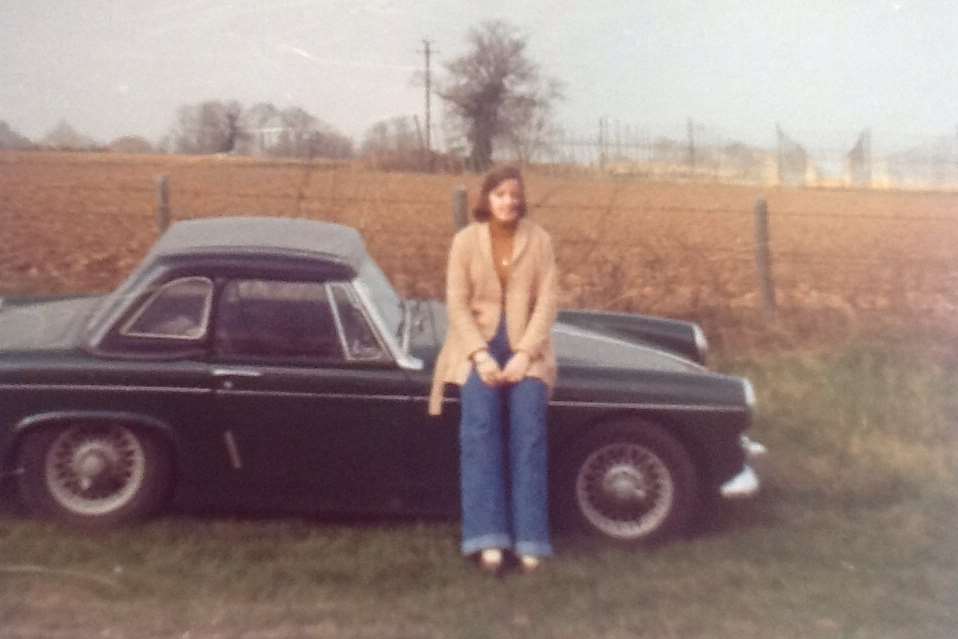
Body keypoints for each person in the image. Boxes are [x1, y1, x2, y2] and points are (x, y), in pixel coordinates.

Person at [428, 165, 559, 574]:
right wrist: (480, 356)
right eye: (500, 194)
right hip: (475, 349)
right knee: (480, 432)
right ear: (486, 199)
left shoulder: (540, 241)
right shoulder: (465, 241)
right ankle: (488, 541)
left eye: (514, 195)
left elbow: (548, 303)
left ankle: (530, 541)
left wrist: (523, 355)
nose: (508, 201)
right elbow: (456, 303)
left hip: (527, 349)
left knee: (529, 433)